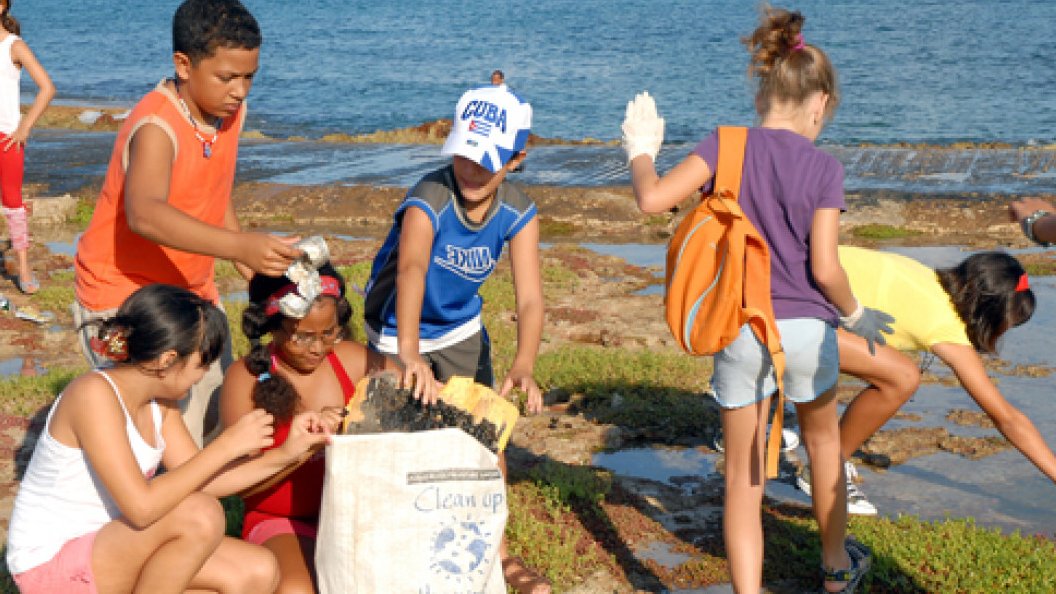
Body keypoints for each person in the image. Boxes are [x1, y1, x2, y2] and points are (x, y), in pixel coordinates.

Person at [622, 6, 892, 593]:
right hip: (806, 335)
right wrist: (855, 314)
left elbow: (652, 200)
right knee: (823, 446)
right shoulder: (825, 168)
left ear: (763, 92)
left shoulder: (727, 144)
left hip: (741, 327)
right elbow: (825, 267)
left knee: (742, 478)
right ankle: (835, 569)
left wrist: (641, 149)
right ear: (818, 104)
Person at [72, 0, 302, 448]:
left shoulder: (229, 113)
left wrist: (244, 255)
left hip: (190, 291)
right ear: (183, 64)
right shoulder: (157, 125)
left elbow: (213, 193)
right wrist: (237, 247)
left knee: (219, 405)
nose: (240, 91)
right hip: (123, 297)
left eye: (249, 76)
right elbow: (145, 213)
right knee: (149, 437)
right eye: (227, 77)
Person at [5, 283, 334, 594]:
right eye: (201, 364)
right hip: (53, 565)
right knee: (200, 515)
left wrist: (291, 451)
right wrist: (227, 445)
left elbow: (202, 481)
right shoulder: (93, 395)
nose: (204, 375)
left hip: (113, 545)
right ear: (167, 362)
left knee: (257, 570)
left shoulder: (160, 402)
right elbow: (142, 508)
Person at [363, 84, 550, 593]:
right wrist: (406, 354)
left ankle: (500, 556)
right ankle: (392, 549)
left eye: (486, 160)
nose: (470, 169)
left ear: (516, 158)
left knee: (485, 440)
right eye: (464, 154)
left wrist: (525, 362)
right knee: (390, 438)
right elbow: (413, 269)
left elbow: (530, 298)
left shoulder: (518, 212)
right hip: (395, 326)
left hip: (460, 327)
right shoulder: (429, 199)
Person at [796, 246, 1050, 516]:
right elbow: (1006, 417)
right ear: (989, 314)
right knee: (901, 377)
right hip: (787, 312)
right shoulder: (944, 326)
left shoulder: (924, 276)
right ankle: (825, 470)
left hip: (774, 279)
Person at [220, 262, 395, 593]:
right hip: (283, 519)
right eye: (303, 336)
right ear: (272, 326)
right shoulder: (246, 378)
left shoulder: (352, 359)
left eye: (329, 333)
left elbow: (414, 399)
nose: (318, 348)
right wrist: (302, 451)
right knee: (299, 590)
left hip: (355, 515)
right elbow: (241, 486)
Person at [0, 0, 54, 295]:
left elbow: (47, 87)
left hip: (7, 136)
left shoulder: (14, 46)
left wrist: (24, 127)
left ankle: (22, 266)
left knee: (13, 203)